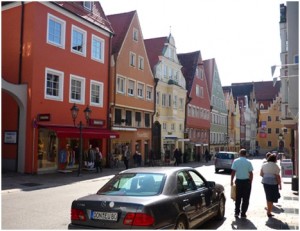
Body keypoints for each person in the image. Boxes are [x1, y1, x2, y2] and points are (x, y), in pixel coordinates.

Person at [231, 148, 253, 218]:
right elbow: (251, 173)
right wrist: (250, 182)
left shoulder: (236, 161)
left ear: (240, 153)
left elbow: (233, 172)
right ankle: (243, 213)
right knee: (246, 198)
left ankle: (236, 212)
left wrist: (231, 181)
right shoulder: (248, 162)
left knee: (238, 198)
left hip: (238, 181)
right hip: (246, 182)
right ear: (245, 154)